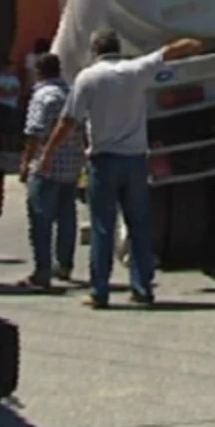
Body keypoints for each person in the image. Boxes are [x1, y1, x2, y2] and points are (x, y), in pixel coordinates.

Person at [39, 29, 203, 309]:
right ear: (118, 48)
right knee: (139, 224)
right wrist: (194, 44)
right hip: (136, 160)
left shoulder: (88, 77)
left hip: (103, 161)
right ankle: (142, 288)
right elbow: (169, 51)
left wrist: (48, 154)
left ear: (95, 51)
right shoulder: (134, 70)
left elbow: (68, 121)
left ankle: (99, 291)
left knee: (103, 226)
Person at [16, 53, 85, 289]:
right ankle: (64, 265)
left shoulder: (43, 96)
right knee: (67, 217)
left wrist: (26, 163)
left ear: (39, 72)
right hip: (71, 166)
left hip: (46, 166)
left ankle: (42, 271)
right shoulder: (71, 93)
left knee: (40, 219)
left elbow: (35, 132)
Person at [0, 60, 21, 153]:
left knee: (12, 126)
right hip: (1, 105)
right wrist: (8, 93)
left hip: (12, 106)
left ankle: (11, 147)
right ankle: (0, 147)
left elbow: (17, 91)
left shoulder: (14, 79)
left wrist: (7, 92)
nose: (10, 69)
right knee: (0, 126)